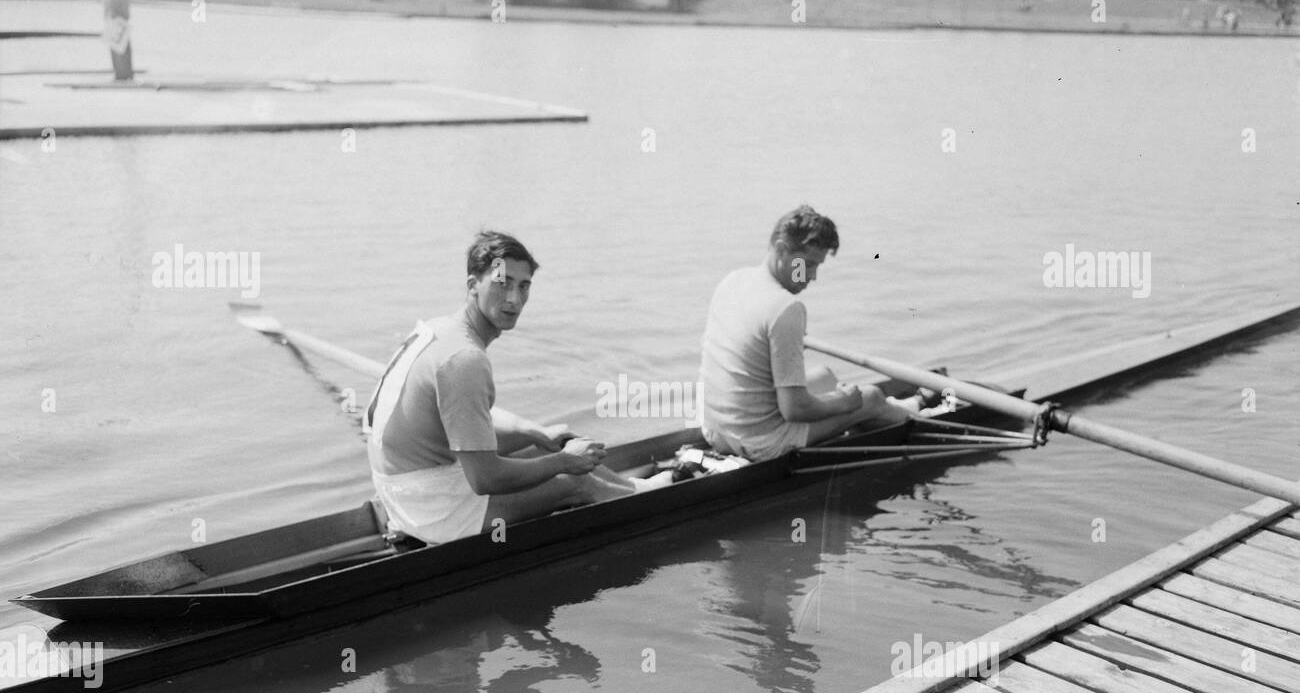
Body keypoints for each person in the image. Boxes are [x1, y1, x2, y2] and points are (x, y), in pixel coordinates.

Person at [365, 231, 668, 544]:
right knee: (573, 481)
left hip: (403, 494)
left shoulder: (440, 329)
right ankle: (661, 501)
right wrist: (565, 463)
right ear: (473, 286)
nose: (514, 299)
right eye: (502, 283)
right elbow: (485, 478)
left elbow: (461, 423)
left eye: (523, 286)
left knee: (545, 444)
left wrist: (531, 431)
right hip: (434, 510)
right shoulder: (465, 359)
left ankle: (636, 490)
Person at [699, 204, 928, 462]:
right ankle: (925, 420)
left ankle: (901, 408)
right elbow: (794, 409)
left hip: (715, 431)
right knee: (871, 397)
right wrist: (843, 403)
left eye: (816, 266)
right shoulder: (785, 307)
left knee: (825, 377)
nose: (812, 276)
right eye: (807, 265)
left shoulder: (733, 280)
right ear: (782, 250)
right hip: (761, 444)